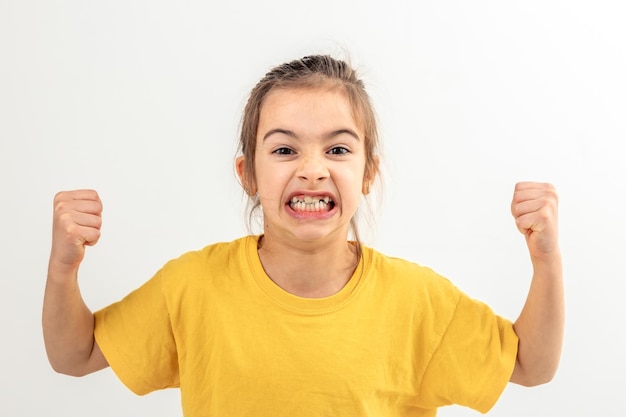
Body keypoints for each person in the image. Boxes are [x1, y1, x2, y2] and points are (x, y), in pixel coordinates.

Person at [42, 55, 564, 416]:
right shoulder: (192, 285)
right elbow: (76, 355)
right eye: (285, 149)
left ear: (367, 174)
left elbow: (530, 365)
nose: (313, 169)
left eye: (337, 149)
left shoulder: (417, 300)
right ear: (247, 173)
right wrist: (63, 268)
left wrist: (547, 260)